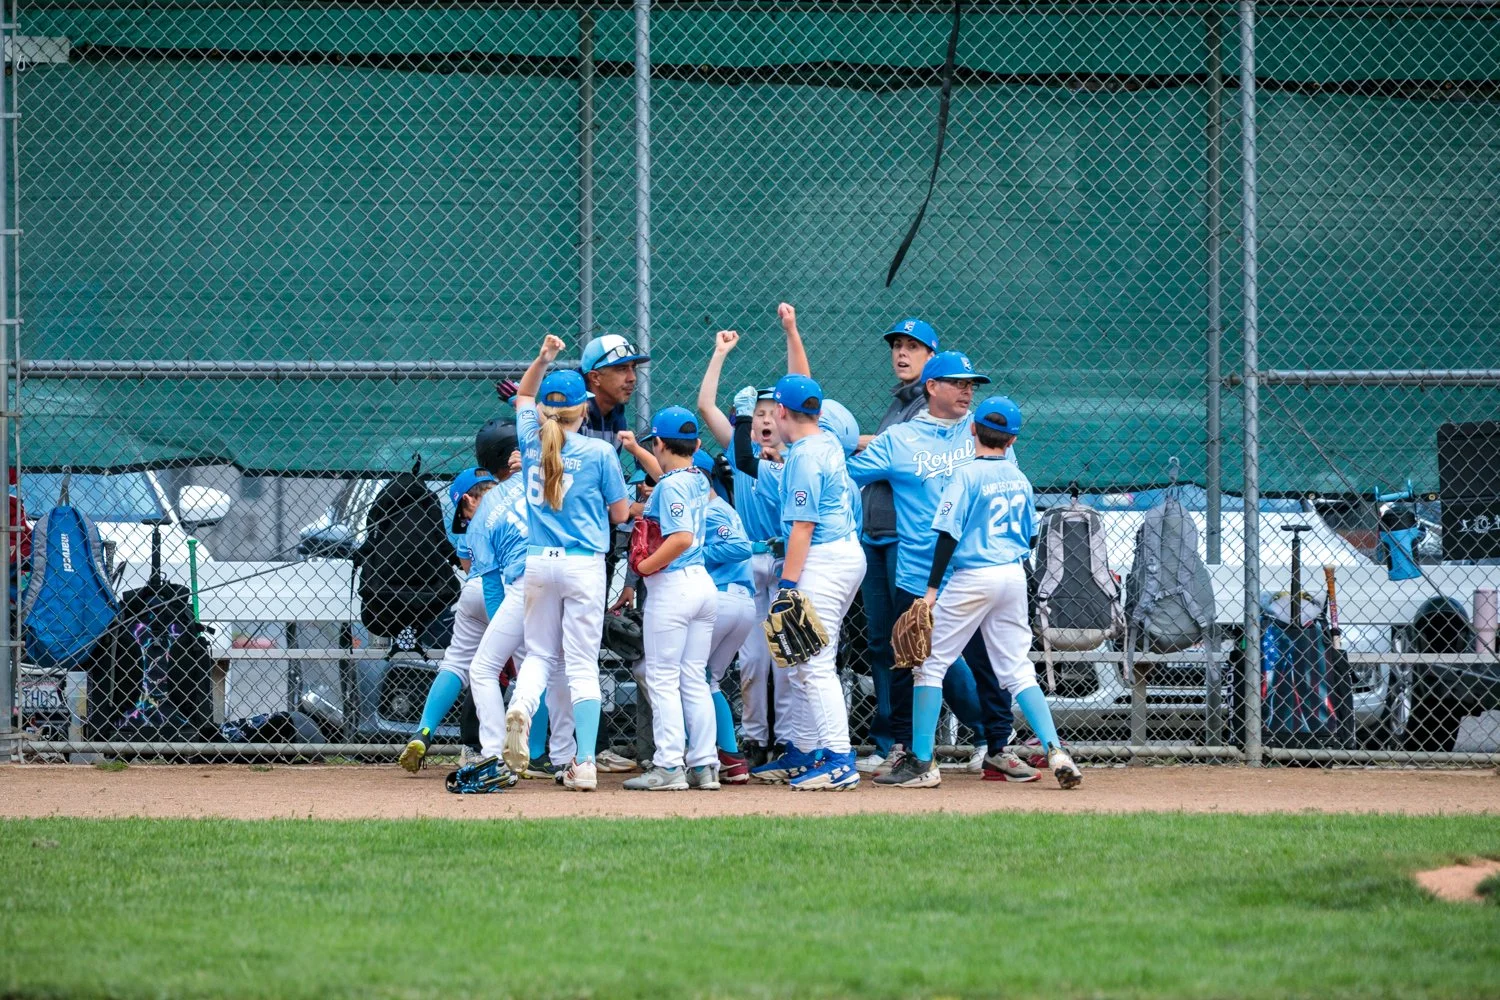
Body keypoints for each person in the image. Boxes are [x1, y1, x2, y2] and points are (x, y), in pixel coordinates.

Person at [848, 351, 1037, 783]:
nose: (967, 389)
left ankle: (996, 745)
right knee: (907, 657)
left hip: (972, 571)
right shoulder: (899, 440)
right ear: (932, 387)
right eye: (957, 382)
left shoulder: (980, 432)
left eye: (971, 384)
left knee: (987, 662)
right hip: (918, 572)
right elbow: (847, 473)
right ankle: (905, 749)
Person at [878, 396, 1082, 790]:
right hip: (1011, 575)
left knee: (929, 665)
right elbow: (1028, 536)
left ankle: (922, 762)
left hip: (974, 575)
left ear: (972, 429)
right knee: (1018, 669)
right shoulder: (1019, 478)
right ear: (1012, 440)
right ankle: (1056, 750)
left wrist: (932, 589)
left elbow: (948, 534)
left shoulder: (966, 474)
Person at [501, 335, 630, 792]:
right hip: (583, 565)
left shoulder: (531, 441)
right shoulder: (599, 451)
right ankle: (586, 761)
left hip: (538, 563)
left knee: (538, 655)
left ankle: (521, 706)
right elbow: (619, 514)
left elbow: (523, 395)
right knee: (580, 664)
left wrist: (541, 358)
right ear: (584, 409)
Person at [755, 371, 867, 791]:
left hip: (823, 558)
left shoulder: (804, 455)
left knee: (813, 663)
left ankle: (838, 758)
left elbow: (802, 526)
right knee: (806, 660)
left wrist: (786, 585)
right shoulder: (824, 442)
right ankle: (804, 751)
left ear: (782, 411)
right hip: (841, 554)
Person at [696, 328, 785, 768]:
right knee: (752, 659)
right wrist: (720, 353)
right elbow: (706, 407)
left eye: (774, 411)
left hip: (787, 557)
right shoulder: (740, 446)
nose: (766, 418)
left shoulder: (797, 456)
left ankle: (786, 740)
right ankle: (754, 739)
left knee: (787, 654)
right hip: (749, 560)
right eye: (759, 411)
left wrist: (789, 333)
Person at [856, 318, 939, 771]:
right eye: (897, 347)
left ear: (931, 357)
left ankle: (988, 735)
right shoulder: (899, 403)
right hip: (876, 535)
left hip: (909, 539)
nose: (901, 354)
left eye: (913, 347)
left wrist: (843, 439)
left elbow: (891, 452)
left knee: (914, 641)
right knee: (880, 642)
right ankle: (889, 740)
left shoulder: (931, 406)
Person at [623, 407, 719, 791]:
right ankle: (704, 765)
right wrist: (636, 450)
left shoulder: (671, 486)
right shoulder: (696, 477)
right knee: (693, 678)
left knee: (662, 678)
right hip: (703, 588)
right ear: (696, 444)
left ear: (660, 442)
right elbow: (667, 477)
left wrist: (645, 568)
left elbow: (681, 538)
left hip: (674, 587)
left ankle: (668, 766)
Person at [700, 491, 758, 783]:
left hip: (720, 599)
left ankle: (700, 757)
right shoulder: (725, 508)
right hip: (743, 603)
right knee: (708, 680)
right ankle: (731, 758)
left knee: (684, 677)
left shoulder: (710, 511)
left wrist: (695, 553)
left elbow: (737, 548)